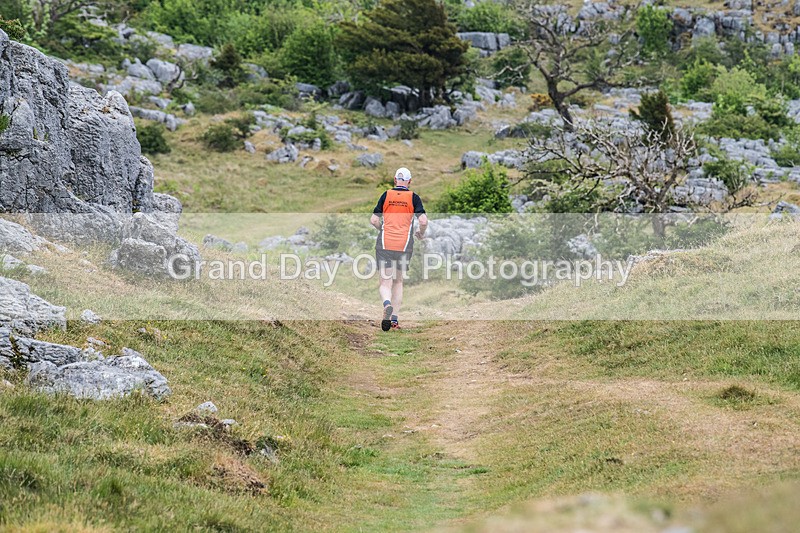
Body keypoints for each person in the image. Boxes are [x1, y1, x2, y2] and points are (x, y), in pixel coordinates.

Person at [370, 167, 428, 331]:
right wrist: (420, 233)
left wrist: (382, 229)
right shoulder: (413, 198)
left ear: (395, 180)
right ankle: (394, 319)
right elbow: (423, 221)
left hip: (385, 243)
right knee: (398, 281)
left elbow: (374, 220)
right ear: (409, 181)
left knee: (385, 281)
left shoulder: (386, 195)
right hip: (404, 245)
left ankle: (386, 304)